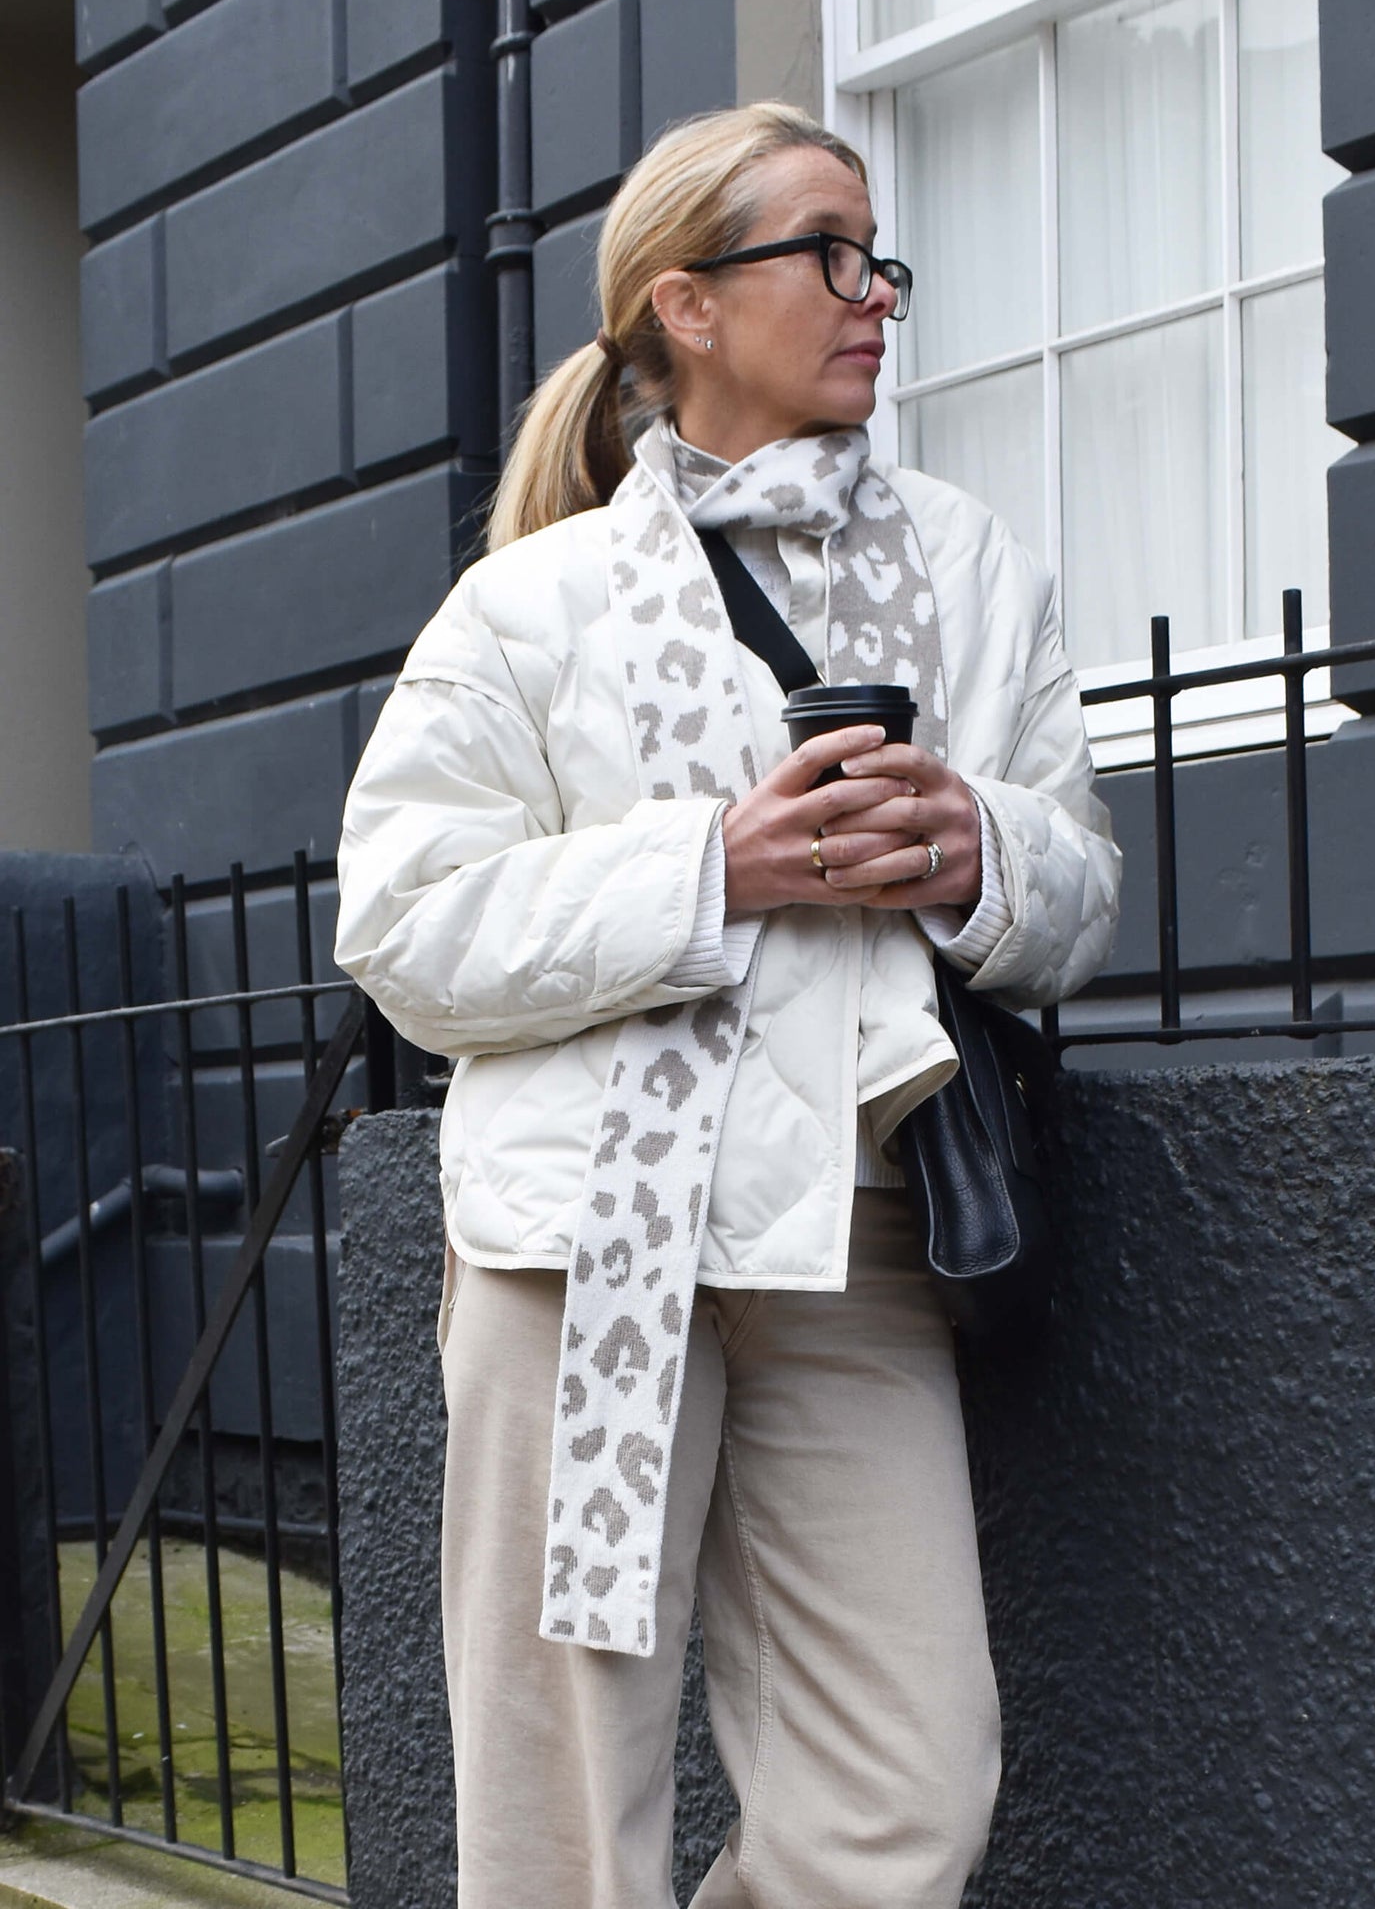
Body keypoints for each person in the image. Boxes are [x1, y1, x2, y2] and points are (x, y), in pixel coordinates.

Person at [334, 101, 1121, 1909]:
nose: (876, 296)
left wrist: (973, 849)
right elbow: (403, 926)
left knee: (906, 1793)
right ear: (686, 305)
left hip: (858, 1246)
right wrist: (720, 868)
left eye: (881, 257)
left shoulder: (974, 570)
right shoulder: (530, 606)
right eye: (828, 254)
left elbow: (1078, 882)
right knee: (563, 1815)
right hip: (588, 1252)